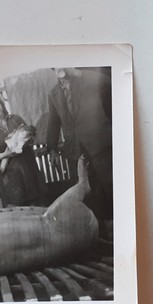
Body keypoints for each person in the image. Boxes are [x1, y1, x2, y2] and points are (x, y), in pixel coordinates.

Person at [46, 67, 113, 222]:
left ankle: (118, 225)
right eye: (55, 65)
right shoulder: (53, 93)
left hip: (99, 143)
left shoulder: (86, 80)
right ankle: (99, 226)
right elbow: (53, 123)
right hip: (75, 147)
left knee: (108, 183)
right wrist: (52, 149)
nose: (59, 68)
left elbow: (106, 81)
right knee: (87, 189)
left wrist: (78, 72)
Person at [0, 96, 45, 207]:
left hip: (28, 169)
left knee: (37, 205)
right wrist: (4, 155)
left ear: (2, 107)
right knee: (18, 208)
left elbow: (29, 134)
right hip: (10, 176)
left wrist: (26, 138)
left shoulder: (15, 119)